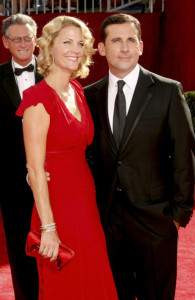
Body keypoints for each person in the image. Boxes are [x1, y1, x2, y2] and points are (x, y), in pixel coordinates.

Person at [84, 13, 195, 300]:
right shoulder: (88, 96)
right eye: (116, 40)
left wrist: (177, 216)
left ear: (141, 47)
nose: (124, 47)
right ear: (101, 48)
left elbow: (185, 154)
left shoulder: (167, 91)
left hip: (156, 221)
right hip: (107, 222)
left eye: (131, 40)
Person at [16, 15, 118, 300]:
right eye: (67, 42)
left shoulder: (75, 90)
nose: (75, 48)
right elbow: (35, 169)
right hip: (56, 206)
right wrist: (48, 228)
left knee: (93, 277)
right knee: (66, 284)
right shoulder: (37, 99)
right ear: (49, 47)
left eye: (80, 42)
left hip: (85, 200)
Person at [0, 13, 42, 300]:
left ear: (36, 38)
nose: (23, 43)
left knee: (60, 246)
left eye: (28, 37)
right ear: (5, 43)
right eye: (17, 38)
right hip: (11, 182)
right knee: (19, 250)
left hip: (56, 177)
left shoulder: (57, 73)